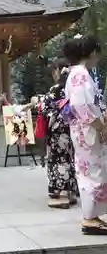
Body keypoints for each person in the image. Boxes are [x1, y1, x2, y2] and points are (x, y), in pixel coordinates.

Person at [63, 33, 107, 234]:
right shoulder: (80, 74)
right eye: (97, 52)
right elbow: (82, 106)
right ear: (91, 52)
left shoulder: (77, 73)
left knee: (89, 171)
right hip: (88, 129)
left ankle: (92, 215)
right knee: (92, 172)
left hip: (84, 129)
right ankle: (89, 217)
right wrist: (101, 125)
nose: (98, 56)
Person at [41, 58, 78, 209]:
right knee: (69, 158)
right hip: (72, 127)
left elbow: (44, 107)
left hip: (58, 129)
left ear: (58, 70)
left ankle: (63, 194)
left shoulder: (57, 89)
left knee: (59, 159)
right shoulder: (74, 86)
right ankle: (70, 192)